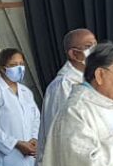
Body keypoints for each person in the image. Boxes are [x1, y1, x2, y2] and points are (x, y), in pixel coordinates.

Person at [37, 27, 96, 155]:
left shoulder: (93, 81)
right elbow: (64, 130)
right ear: (74, 54)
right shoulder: (64, 85)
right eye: (88, 46)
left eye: (96, 45)